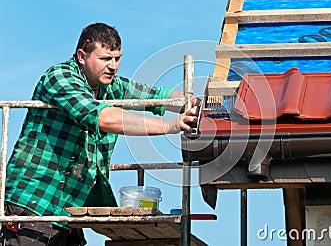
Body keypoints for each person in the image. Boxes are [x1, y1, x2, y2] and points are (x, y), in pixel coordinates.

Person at [1, 23, 199, 246]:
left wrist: (196, 103)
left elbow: (156, 96)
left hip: (68, 211)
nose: (113, 66)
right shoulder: (59, 77)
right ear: (82, 56)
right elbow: (101, 117)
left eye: (117, 58)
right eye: (105, 59)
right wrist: (171, 126)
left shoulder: (110, 86)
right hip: (33, 203)